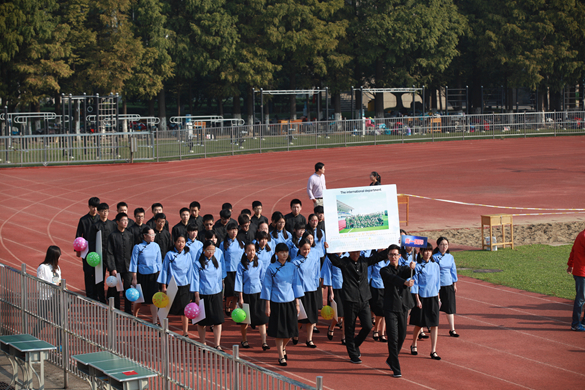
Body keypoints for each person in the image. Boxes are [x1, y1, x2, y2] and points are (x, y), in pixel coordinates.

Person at [327, 249, 388, 364]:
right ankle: (353, 354)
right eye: (353, 252)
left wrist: (392, 244)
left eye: (357, 252)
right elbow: (334, 260)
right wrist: (328, 249)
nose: (355, 254)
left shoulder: (365, 261)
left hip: (364, 299)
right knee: (349, 328)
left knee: (368, 326)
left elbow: (379, 256)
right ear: (349, 252)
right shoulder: (345, 262)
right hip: (350, 300)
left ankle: (355, 344)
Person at [261, 243, 304, 366]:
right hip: (276, 302)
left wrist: (297, 303)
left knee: (291, 331)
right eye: (281, 252)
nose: (284, 254)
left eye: (286, 252)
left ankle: (283, 347)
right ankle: (281, 356)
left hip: (290, 302)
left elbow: (296, 285)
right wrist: (267, 305)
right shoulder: (271, 268)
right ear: (276, 254)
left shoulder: (292, 267)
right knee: (279, 331)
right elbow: (267, 287)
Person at [380, 244, 416, 378]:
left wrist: (414, 267)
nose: (393, 257)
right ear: (388, 256)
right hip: (390, 307)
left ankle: (391, 358)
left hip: (403, 307)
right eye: (391, 254)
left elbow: (410, 273)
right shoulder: (384, 270)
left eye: (396, 254)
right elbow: (393, 279)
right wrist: (404, 283)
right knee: (393, 337)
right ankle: (396, 366)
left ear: (400, 256)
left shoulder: (403, 269)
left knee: (402, 335)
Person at [235, 243, 270, 350]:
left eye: (253, 250)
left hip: (259, 294)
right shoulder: (241, 265)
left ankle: (264, 342)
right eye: (249, 250)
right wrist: (240, 297)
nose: (252, 252)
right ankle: (244, 340)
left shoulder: (259, 263)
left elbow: (263, 278)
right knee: (245, 320)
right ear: (245, 251)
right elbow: (239, 282)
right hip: (246, 295)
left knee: (261, 319)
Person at [410, 243, 441, 360]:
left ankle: (433, 350)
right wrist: (417, 300)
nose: (427, 253)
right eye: (425, 251)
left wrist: (438, 298)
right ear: (421, 252)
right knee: (419, 324)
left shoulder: (436, 266)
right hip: (422, 298)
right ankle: (414, 344)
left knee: (434, 324)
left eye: (429, 251)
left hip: (433, 297)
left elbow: (438, 283)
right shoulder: (417, 266)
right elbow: (415, 284)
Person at [191, 241, 225, 349]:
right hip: (203, 294)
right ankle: (203, 342)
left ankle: (217, 344)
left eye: (213, 251)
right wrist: (196, 295)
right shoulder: (197, 264)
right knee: (202, 321)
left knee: (217, 320)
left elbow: (220, 279)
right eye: (209, 250)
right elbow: (195, 280)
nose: (211, 253)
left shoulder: (217, 263)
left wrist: (221, 291)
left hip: (216, 293)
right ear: (203, 250)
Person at [158, 235, 193, 337]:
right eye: (178, 241)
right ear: (174, 242)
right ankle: (162, 328)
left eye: (183, 241)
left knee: (184, 309)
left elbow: (190, 271)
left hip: (184, 285)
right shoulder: (169, 255)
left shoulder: (188, 255)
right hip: (172, 285)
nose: (180, 244)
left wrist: (191, 287)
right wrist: (163, 286)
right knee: (166, 308)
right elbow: (164, 270)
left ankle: (185, 332)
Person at [130, 227, 163, 324]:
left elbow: (159, 262)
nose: (153, 237)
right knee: (139, 299)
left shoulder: (156, 246)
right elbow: (134, 263)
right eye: (151, 235)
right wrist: (134, 278)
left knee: (154, 299)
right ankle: (135, 316)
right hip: (142, 276)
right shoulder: (138, 247)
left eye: (154, 235)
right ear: (145, 236)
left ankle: (154, 320)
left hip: (153, 276)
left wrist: (160, 277)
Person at [292, 236, 321, 348]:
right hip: (300, 292)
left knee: (311, 317)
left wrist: (316, 286)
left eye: (308, 249)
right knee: (300, 317)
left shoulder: (313, 260)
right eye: (304, 249)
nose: (306, 251)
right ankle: (295, 334)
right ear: (299, 248)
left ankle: (309, 339)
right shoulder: (294, 262)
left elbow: (316, 274)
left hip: (311, 290)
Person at [87, 203, 117, 303]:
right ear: (99, 212)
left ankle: (111, 296)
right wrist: (93, 255)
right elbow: (91, 241)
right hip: (100, 256)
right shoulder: (95, 226)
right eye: (103, 211)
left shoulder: (113, 225)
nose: (105, 213)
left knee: (113, 277)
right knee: (99, 278)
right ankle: (101, 298)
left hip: (111, 256)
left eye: (107, 211)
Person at [105, 213, 135, 314]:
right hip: (116, 268)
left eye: (126, 220)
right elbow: (109, 252)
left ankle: (128, 310)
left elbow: (132, 252)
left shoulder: (130, 235)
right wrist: (112, 268)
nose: (125, 222)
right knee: (116, 290)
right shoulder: (112, 236)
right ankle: (116, 309)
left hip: (128, 268)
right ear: (117, 222)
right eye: (123, 220)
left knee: (128, 289)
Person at [35, 245, 62, 346]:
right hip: (44, 298)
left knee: (59, 323)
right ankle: (32, 338)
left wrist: (59, 285)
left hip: (54, 298)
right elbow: (40, 285)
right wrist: (53, 284)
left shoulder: (57, 268)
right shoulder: (42, 267)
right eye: (58, 256)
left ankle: (59, 345)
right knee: (42, 322)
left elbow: (56, 281)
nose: (60, 258)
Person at [433, 237, 459, 337]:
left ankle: (452, 329)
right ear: (438, 246)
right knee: (435, 307)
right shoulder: (434, 257)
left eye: (446, 245)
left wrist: (454, 284)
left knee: (450, 308)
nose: (444, 247)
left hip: (448, 284)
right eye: (442, 244)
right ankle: (431, 326)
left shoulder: (450, 257)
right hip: (437, 285)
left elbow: (453, 270)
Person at [75, 197, 100, 299]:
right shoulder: (83, 220)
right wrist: (77, 250)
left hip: (98, 250)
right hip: (86, 251)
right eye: (93, 207)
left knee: (98, 273)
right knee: (88, 273)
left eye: (96, 207)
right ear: (89, 207)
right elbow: (78, 235)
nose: (95, 209)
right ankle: (89, 295)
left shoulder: (100, 219)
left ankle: (97, 294)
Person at [221, 221, 246, 316]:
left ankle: (234, 308)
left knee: (237, 292)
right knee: (230, 291)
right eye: (232, 230)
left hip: (238, 271)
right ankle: (227, 305)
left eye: (235, 229)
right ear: (227, 231)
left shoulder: (241, 243)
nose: (234, 232)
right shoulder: (224, 244)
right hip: (229, 271)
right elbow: (221, 259)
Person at [321, 253, 345, 344]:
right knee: (337, 314)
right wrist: (331, 292)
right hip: (335, 288)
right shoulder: (330, 258)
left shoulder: (347, 256)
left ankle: (344, 336)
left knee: (346, 314)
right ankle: (331, 327)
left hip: (347, 288)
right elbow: (328, 275)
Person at [369, 250, 391, 342]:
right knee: (380, 310)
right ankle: (376, 329)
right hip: (376, 286)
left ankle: (382, 333)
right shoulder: (374, 257)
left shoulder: (390, 258)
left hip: (387, 287)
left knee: (385, 311)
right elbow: (369, 273)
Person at [567, 227, 585, 331]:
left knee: (582, 298)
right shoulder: (583, 236)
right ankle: (575, 323)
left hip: (580, 271)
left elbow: (573, 250)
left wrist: (570, 265)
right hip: (582, 273)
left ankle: (583, 322)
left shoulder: (580, 235)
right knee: (581, 299)